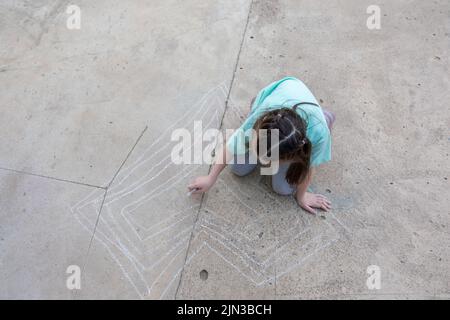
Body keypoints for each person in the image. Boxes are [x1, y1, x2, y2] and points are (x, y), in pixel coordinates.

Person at [188, 76, 335, 214]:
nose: (262, 162)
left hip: (307, 118)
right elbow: (232, 145)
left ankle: (325, 116)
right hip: (282, 93)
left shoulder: (318, 135)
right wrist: (211, 178)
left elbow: (308, 167)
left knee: (283, 189)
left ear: (291, 157)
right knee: (238, 168)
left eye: (269, 160)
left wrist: (302, 196)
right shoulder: (264, 117)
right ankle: (256, 102)